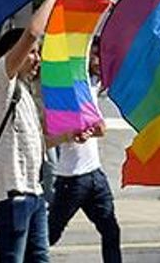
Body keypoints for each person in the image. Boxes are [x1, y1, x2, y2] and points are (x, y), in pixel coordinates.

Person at [0, 0, 61, 263]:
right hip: (11, 193)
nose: (38, 58)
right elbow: (30, 34)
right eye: (33, 53)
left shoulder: (25, 92)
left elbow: (38, 141)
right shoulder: (0, 82)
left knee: (40, 258)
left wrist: (69, 136)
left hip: (35, 192)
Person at [46, 46, 120, 263]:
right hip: (71, 178)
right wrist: (70, 134)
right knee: (51, 233)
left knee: (111, 231)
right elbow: (48, 139)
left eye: (99, 53)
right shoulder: (62, 94)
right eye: (94, 55)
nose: (98, 60)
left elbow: (102, 129)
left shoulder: (91, 89)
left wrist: (89, 130)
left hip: (95, 175)